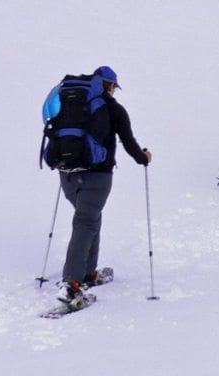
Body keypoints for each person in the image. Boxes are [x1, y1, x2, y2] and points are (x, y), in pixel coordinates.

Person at [56, 65, 151, 311]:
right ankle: (72, 284)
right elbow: (128, 142)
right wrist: (143, 158)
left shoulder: (70, 103)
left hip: (67, 174)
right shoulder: (114, 109)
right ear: (109, 86)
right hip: (97, 177)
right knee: (86, 222)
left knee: (89, 218)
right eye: (114, 87)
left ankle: (88, 274)